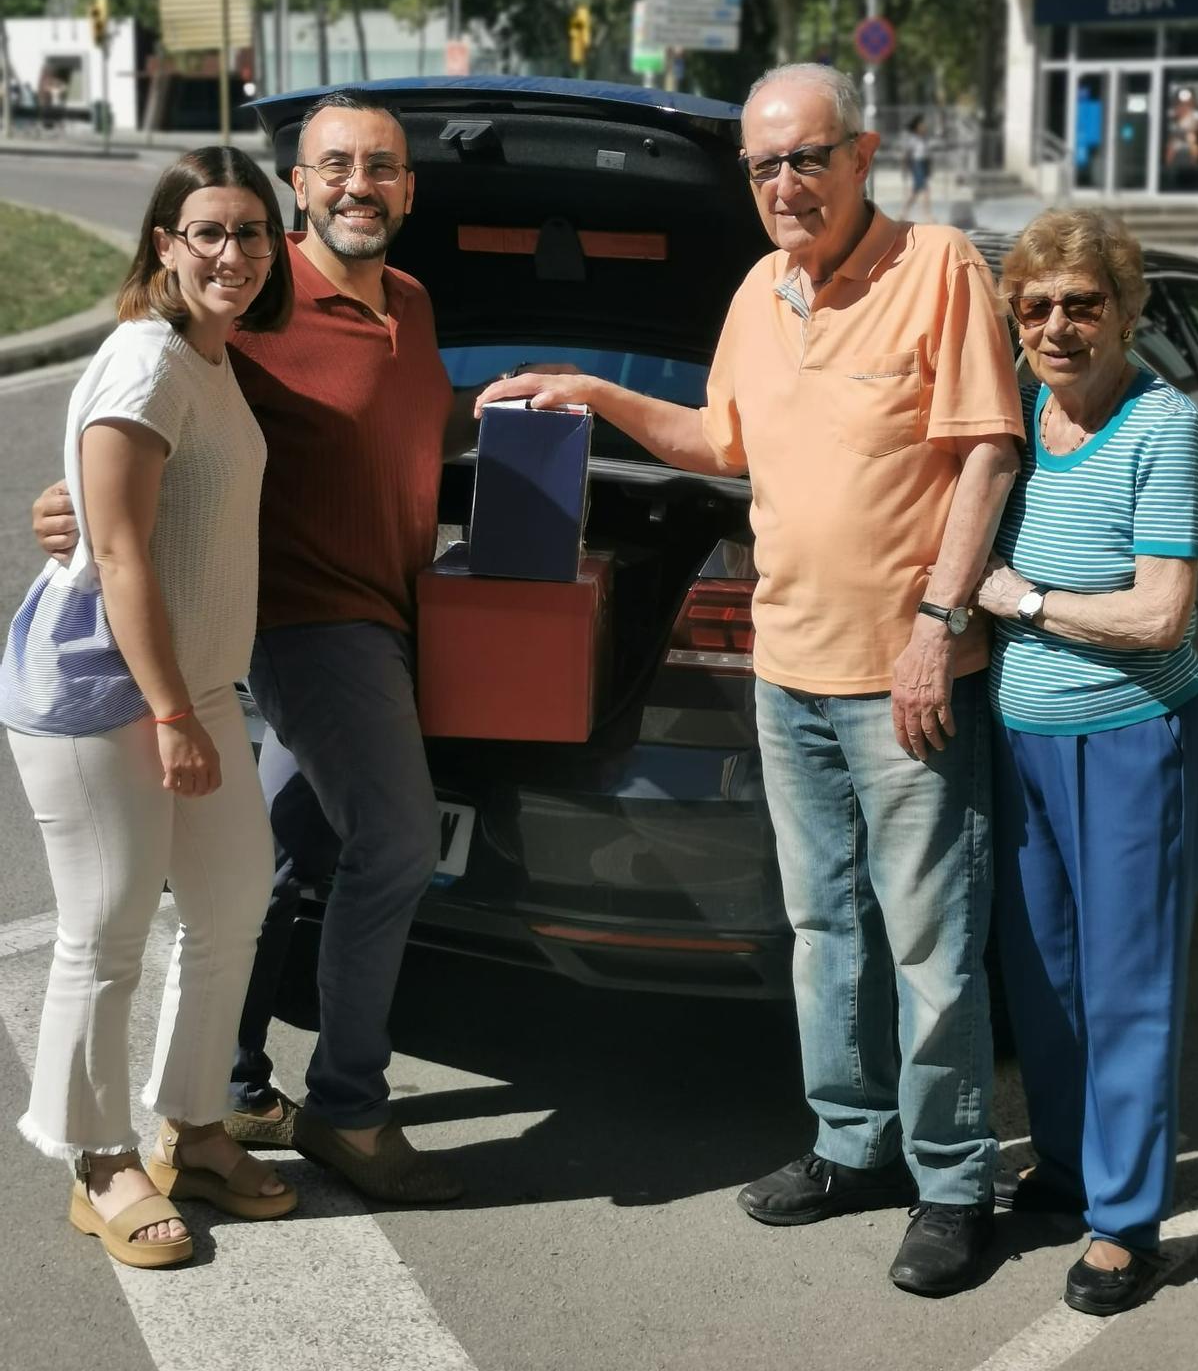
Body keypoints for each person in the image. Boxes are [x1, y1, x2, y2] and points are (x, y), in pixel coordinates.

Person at [475, 63, 1024, 1296]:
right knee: (825, 931)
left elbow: (988, 452)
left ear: (864, 151)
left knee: (933, 942)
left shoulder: (938, 268)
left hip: (907, 678)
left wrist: (939, 621)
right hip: (786, 672)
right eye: (765, 166)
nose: (786, 184)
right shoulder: (755, 290)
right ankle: (850, 1146)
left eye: (807, 158)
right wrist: (600, 390)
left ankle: (951, 1182)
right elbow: (720, 438)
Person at [33, 92, 496, 1202]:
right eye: (334, 165)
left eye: (381, 167)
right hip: (306, 619)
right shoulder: (260, 301)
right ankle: (348, 1106)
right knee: (390, 842)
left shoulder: (414, 303)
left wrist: (543, 403)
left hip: (384, 608)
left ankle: (228, 1090)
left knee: (265, 873)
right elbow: (148, 419)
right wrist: (78, 507)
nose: (358, 185)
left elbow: (410, 425)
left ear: (410, 188)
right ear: (300, 182)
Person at [3, 148, 298, 1269]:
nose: (234, 254)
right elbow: (118, 550)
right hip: (102, 690)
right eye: (210, 233)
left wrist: (190, 699)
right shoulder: (146, 361)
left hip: (194, 681)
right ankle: (97, 1158)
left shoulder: (207, 356)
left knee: (228, 905)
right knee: (108, 922)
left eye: (253, 234)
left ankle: (196, 1128)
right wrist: (171, 713)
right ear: (166, 246)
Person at [974, 208, 1198, 1316]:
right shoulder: (1016, 418)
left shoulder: (1168, 426)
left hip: (1128, 740)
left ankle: (1126, 1220)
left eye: (1082, 303)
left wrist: (1026, 601)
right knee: (1045, 973)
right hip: (1021, 740)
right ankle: (1065, 1164)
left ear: (1124, 310)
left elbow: (1161, 616)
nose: (1058, 326)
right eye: (1037, 307)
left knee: (1128, 985)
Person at [900, 113, 933, 222]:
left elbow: (927, 154)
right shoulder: (913, 139)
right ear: (917, 126)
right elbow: (907, 154)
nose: (924, 126)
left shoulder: (924, 138)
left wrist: (929, 168)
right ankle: (927, 216)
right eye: (922, 124)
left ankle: (903, 213)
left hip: (923, 164)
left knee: (915, 192)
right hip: (917, 164)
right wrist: (905, 169)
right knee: (925, 190)